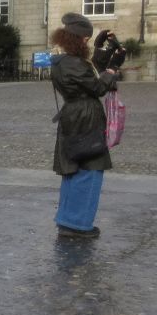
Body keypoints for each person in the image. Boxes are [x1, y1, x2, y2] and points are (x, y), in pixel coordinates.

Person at [51, 12, 120, 239]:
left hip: (76, 115)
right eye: (85, 39)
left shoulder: (66, 60)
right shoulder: (72, 63)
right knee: (90, 167)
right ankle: (77, 224)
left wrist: (101, 53)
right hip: (84, 117)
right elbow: (98, 87)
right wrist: (112, 71)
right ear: (77, 38)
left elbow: (89, 75)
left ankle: (67, 219)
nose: (86, 43)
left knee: (74, 167)